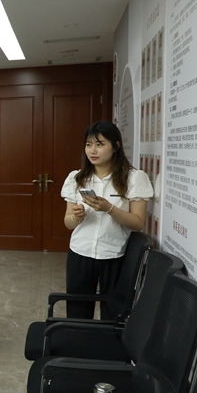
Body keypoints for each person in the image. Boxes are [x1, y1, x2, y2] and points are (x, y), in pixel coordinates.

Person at [62, 121, 152, 319]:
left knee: (113, 315)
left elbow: (138, 223)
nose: (92, 150)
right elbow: (68, 223)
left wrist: (109, 209)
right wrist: (76, 217)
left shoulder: (133, 178)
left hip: (114, 255)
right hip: (80, 253)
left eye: (100, 144)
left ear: (116, 146)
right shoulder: (77, 178)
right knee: (77, 313)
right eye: (88, 144)